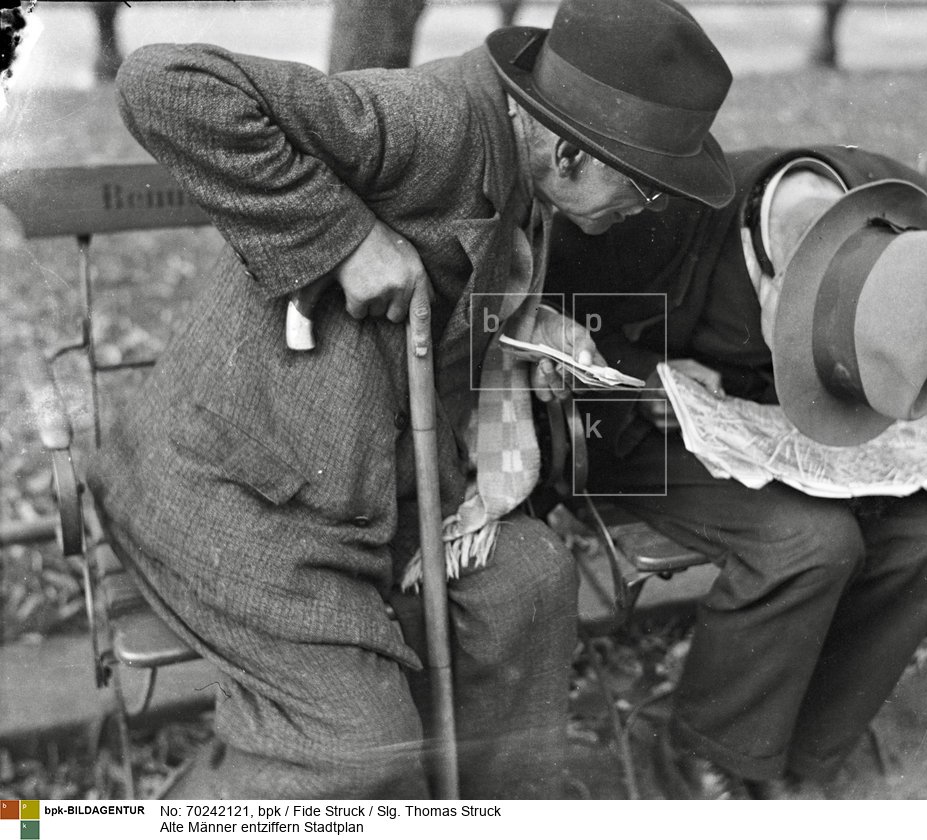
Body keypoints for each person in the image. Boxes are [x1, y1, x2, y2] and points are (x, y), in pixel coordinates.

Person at [88, 0, 733, 799]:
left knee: (530, 587)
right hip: (238, 496)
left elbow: (487, 307)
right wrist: (345, 238)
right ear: (569, 151)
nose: (646, 209)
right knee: (359, 747)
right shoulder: (430, 120)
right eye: (643, 189)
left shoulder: (524, 160)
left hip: (373, 486)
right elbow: (165, 83)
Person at [545, 145, 927, 798]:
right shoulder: (667, 217)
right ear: (777, 276)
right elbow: (543, 308)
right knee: (808, 542)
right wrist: (644, 379)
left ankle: (791, 752)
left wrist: (923, 367)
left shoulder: (909, 220)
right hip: (652, 431)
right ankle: (702, 753)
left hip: (823, 431)